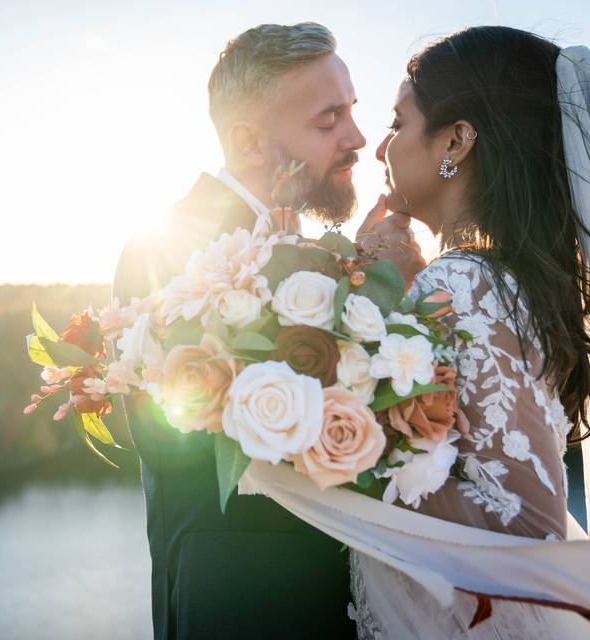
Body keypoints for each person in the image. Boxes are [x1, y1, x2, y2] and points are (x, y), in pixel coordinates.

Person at [241, 26, 590, 638]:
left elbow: (528, 523)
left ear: (458, 140)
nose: (380, 145)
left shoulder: (461, 286)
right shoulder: (486, 282)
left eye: (397, 121)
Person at [112, 23, 424, 640]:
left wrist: (361, 279)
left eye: (353, 112)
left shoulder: (304, 250)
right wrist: (373, 292)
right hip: (241, 602)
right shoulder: (171, 249)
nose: (359, 139)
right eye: (328, 119)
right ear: (250, 141)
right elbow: (185, 443)